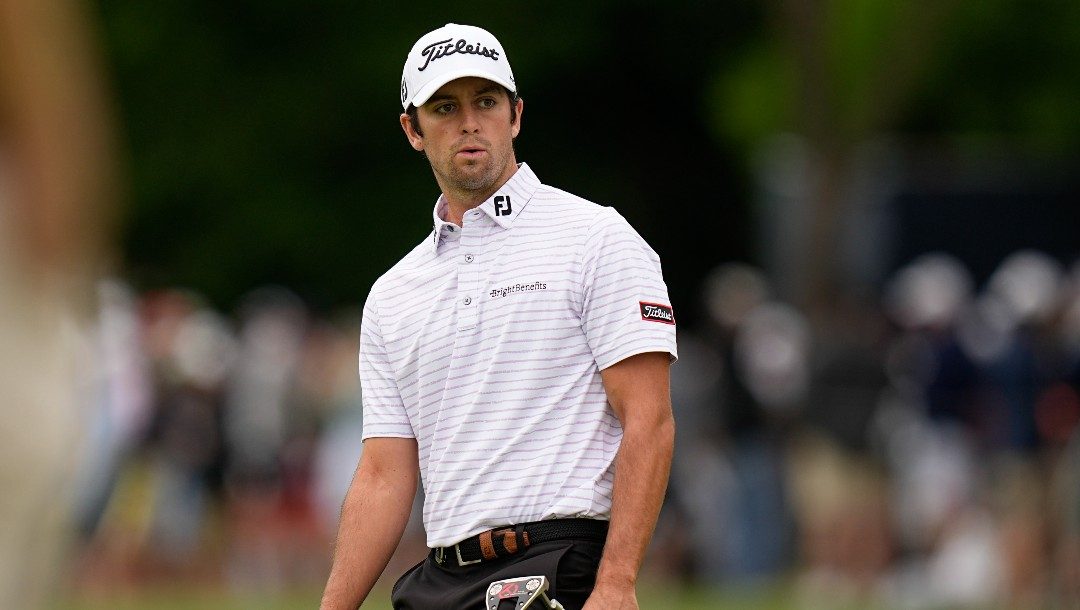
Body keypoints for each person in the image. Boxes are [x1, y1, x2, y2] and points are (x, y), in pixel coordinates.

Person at [320, 23, 677, 609]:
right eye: (444, 107)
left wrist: (617, 583)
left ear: (515, 115)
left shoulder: (596, 238)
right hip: (440, 578)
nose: (469, 122)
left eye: (486, 101)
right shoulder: (394, 293)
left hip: (558, 565)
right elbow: (385, 475)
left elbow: (649, 419)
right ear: (413, 129)